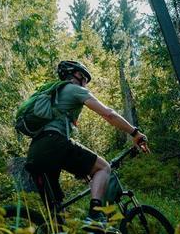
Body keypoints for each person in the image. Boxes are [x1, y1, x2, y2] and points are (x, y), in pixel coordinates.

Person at [25, 60, 149, 222]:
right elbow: (108, 114)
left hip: (35, 152)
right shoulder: (73, 89)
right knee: (103, 168)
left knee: (58, 216)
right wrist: (135, 133)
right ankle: (95, 215)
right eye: (83, 78)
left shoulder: (55, 96)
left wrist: (81, 170)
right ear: (73, 75)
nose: (85, 83)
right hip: (53, 143)